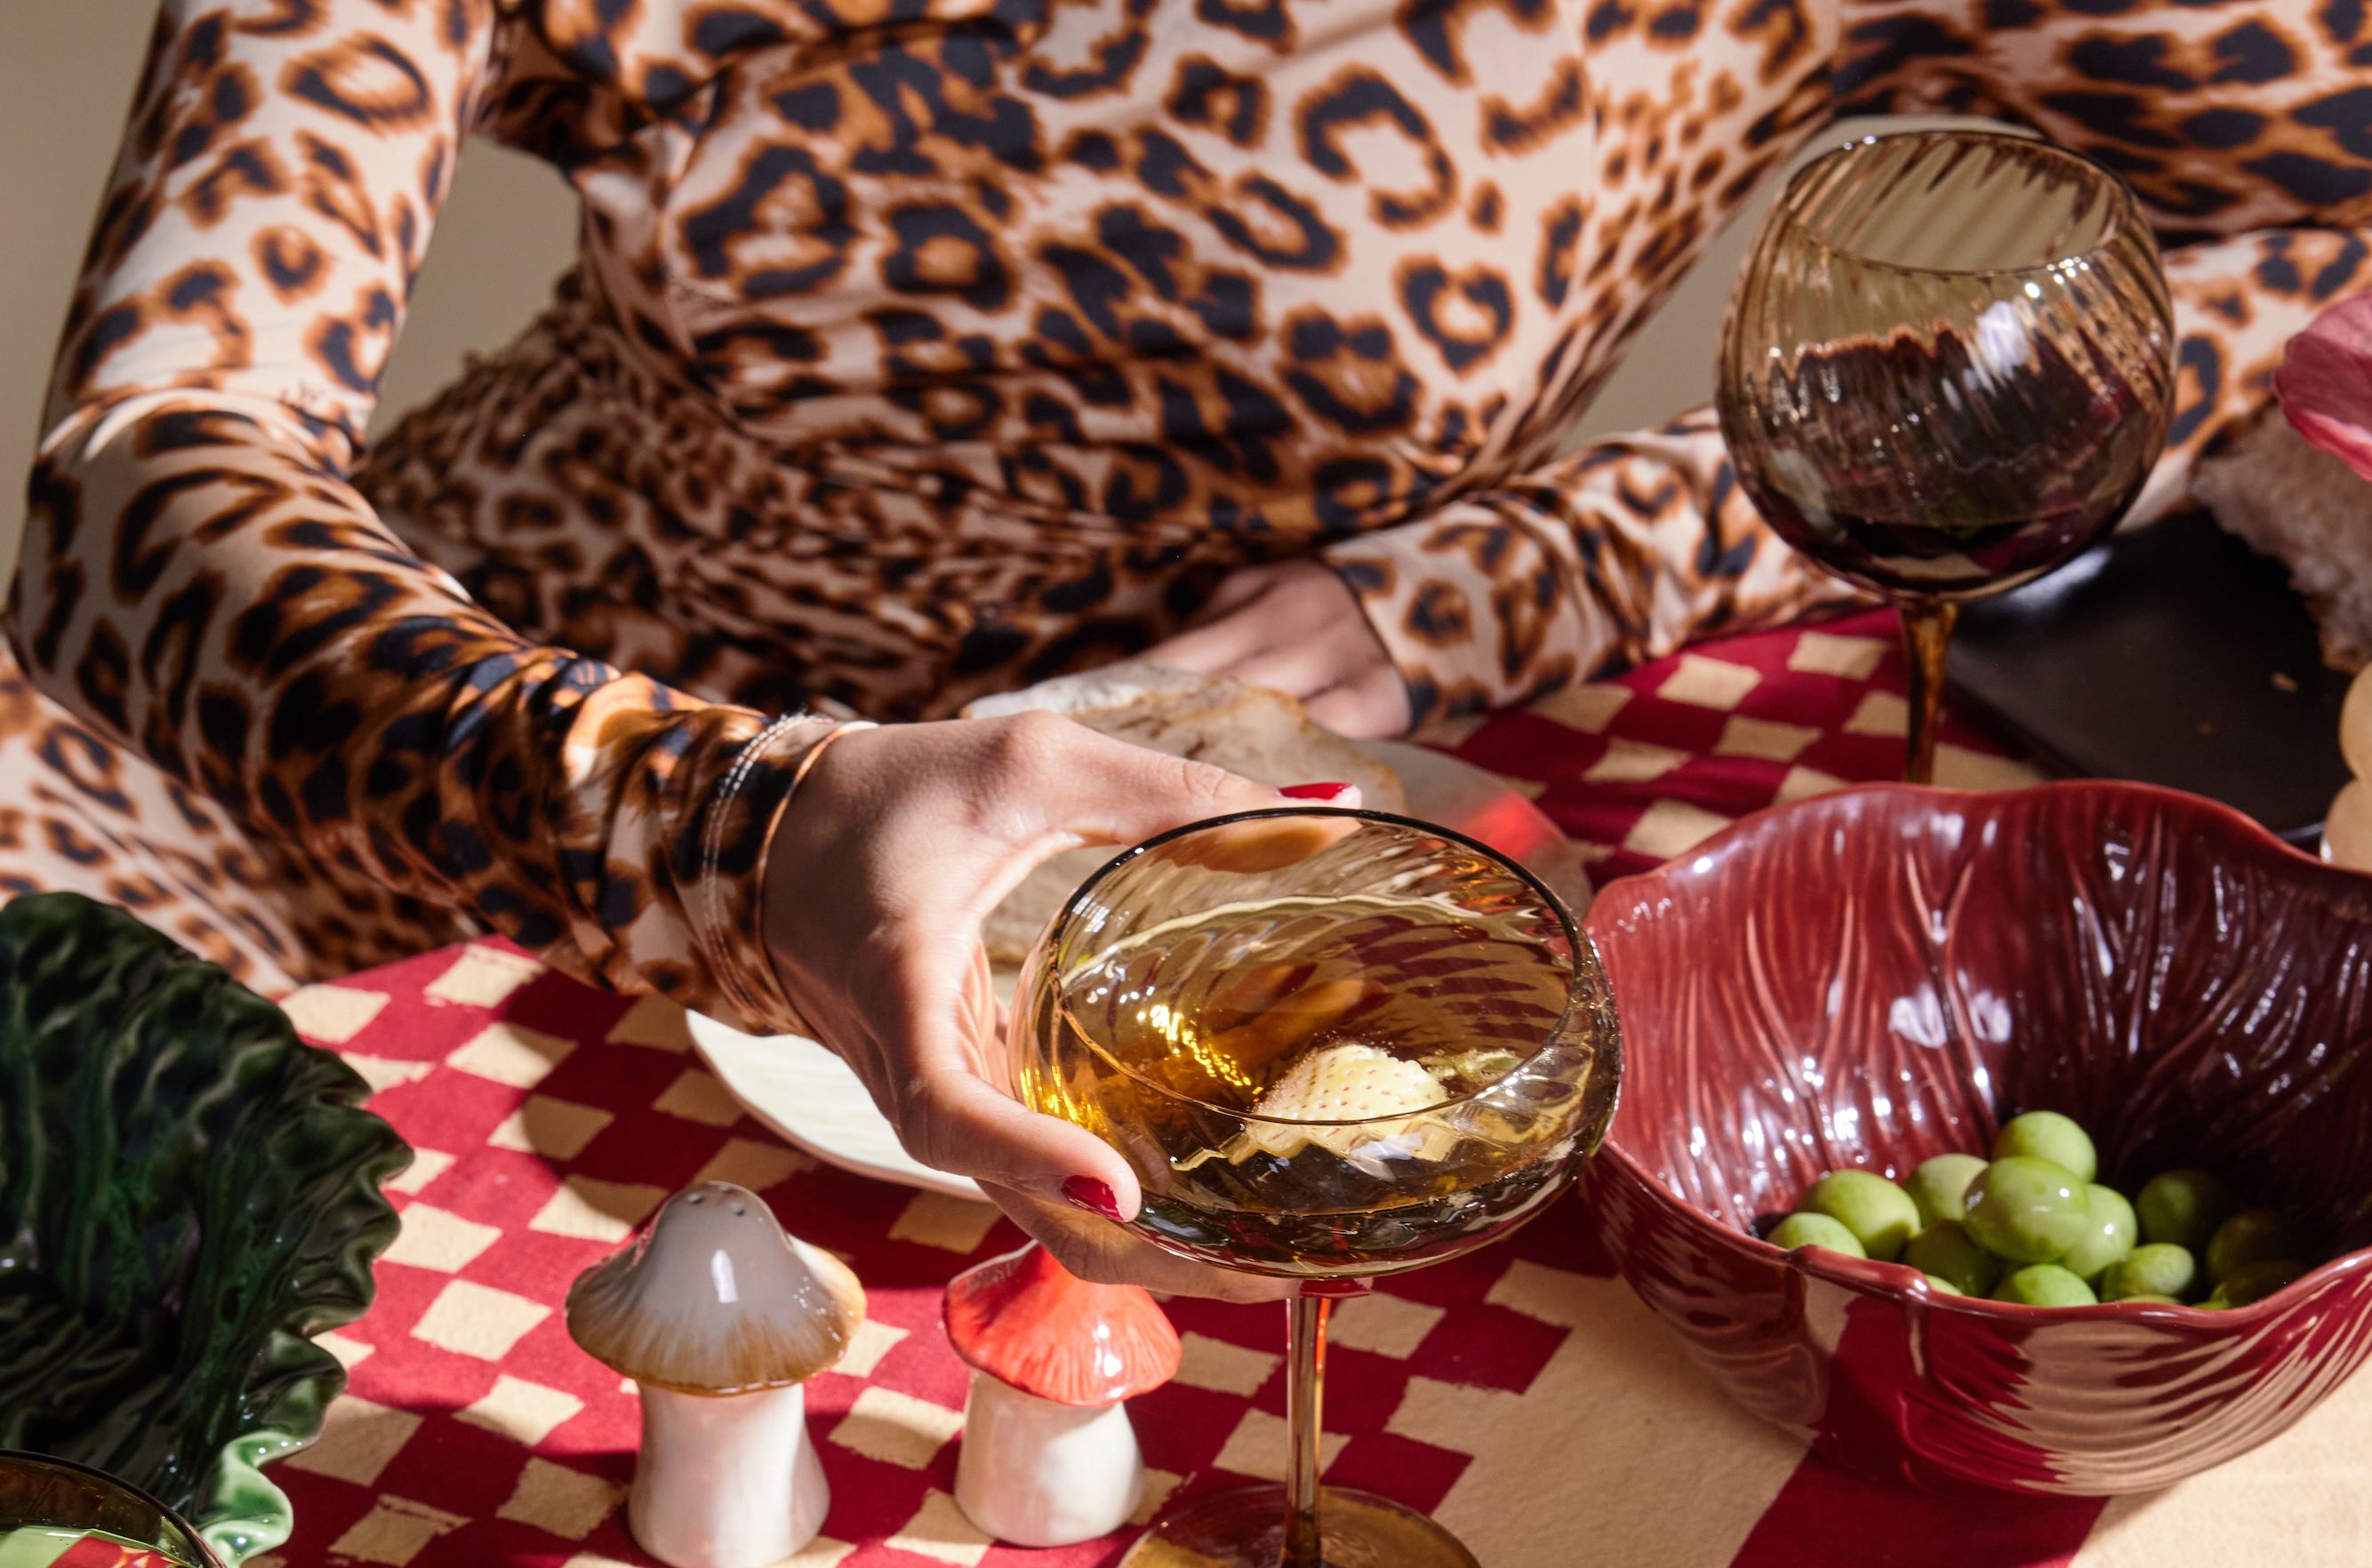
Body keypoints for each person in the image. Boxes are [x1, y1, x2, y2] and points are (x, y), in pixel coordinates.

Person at [3, 0, 2364, 1260]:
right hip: (384, 759)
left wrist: (1477, 583)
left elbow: (2259, 256)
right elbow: (126, 494)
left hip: (1213, 865)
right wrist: (719, 814)